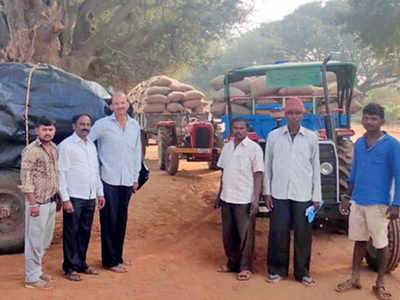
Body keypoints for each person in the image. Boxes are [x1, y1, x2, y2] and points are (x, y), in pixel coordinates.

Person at [335, 103, 400, 300]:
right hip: (358, 201)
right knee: (359, 240)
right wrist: (347, 197)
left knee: (381, 245)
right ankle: (354, 278)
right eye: (366, 118)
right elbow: (354, 173)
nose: (369, 122)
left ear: (382, 121)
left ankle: (379, 283)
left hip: (379, 203)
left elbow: (399, 174)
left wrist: (396, 203)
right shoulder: (359, 143)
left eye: (374, 118)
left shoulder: (392, 144)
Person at [263, 97, 321, 287]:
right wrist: (267, 192)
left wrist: (316, 197)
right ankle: (277, 270)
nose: (294, 116)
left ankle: (302, 273)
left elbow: (315, 168)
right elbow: (268, 166)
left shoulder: (312, 138)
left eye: (298, 113)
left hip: (303, 195)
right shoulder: (274, 137)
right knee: (278, 233)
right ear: (285, 115)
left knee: (303, 234)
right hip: (279, 193)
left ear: (303, 115)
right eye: (290, 113)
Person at [89, 92, 142, 273]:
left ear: (128, 104)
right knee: (109, 220)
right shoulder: (102, 125)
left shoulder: (134, 126)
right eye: (116, 103)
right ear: (111, 107)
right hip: (108, 179)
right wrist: (94, 167)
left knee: (121, 220)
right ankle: (109, 261)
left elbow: (137, 153)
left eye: (122, 102)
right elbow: (87, 143)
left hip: (127, 180)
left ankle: (118, 256)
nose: (120, 106)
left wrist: (135, 177)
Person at [215, 118, 264, 281]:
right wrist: (218, 195)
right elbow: (223, 173)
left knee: (245, 235)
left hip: (244, 198)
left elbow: (258, 175)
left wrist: (256, 200)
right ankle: (231, 264)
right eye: (235, 128)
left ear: (247, 130)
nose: (238, 131)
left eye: (242, 128)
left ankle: (245, 267)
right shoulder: (227, 147)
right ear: (232, 130)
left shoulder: (254, 149)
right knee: (228, 235)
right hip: (227, 197)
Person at [58, 114, 106, 281]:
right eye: (82, 124)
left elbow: (95, 171)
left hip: (90, 196)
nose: (85, 127)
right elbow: (61, 173)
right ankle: (70, 267)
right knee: (71, 232)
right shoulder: (66, 146)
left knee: (85, 232)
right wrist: (65, 199)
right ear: (74, 126)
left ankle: (81, 263)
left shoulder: (91, 146)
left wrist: (99, 193)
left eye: (87, 124)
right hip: (74, 196)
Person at [19, 117, 60, 289]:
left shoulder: (54, 148)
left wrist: (57, 196)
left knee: (44, 240)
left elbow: (55, 174)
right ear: (37, 131)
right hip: (37, 204)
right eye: (44, 130)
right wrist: (33, 204)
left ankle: (37, 271)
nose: (48, 133)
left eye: (50, 129)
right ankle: (31, 278)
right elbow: (25, 178)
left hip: (50, 201)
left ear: (54, 131)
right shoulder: (31, 150)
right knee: (34, 241)